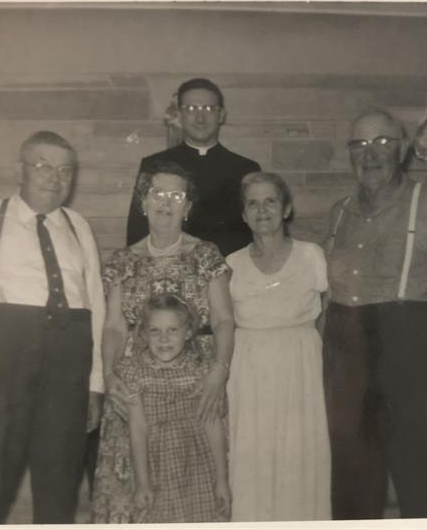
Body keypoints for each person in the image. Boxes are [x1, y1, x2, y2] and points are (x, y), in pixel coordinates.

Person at [323, 109, 427, 519]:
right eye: (359, 144)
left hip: (412, 356)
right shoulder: (339, 212)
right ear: (349, 153)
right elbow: (329, 302)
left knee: (421, 479)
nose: (370, 154)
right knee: (351, 482)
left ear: (404, 148)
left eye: (383, 142)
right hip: (349, 363)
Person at [91, 160, 234, 523]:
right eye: (157, 193)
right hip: (136, 387)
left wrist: (219, 371)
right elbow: (114, 327)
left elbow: (223, 320)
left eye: (176, 195)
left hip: (195, 383)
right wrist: (109, 375)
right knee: (135, 493)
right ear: (143, 202)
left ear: (187, 207)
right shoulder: (123, 261)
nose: (166, 202)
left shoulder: (206, 255)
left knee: (194, 489)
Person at [0, 131, 105, 524]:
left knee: (60, 480)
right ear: (19, 170)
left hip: (68, 366)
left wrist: (95, 384)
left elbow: (96, 303)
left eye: (65, 170)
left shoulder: (78, 226)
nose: (55, 178)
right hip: (5, 361)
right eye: (43, 167)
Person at [226, 172, 331, 521]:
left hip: (300, 368)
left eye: (270, 201)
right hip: (249, 373)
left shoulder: (311, 255)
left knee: (298, 455)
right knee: (251, 454)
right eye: (253, 204)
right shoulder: (231, 264)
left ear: (286, 209)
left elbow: (328, 312)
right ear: (244, 215)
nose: (262, 210)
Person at [126, 77, 261, 256]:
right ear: (179, 115)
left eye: (208, 109)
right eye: (191, 109)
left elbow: (259, 233)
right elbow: (137, 232)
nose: (200, 118)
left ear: (221, 115)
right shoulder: (154, 165)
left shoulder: (245, 169)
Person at [126, 293, 231, 522]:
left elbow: (213, 426)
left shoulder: (200, 370)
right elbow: (138, 428)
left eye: (173, 330)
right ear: (143, 334)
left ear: (188, 332)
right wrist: (142, 482)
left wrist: (222, 480)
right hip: (155, 463)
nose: (164, 339)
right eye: (155, 330)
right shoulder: (135, 372)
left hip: (196, 462)